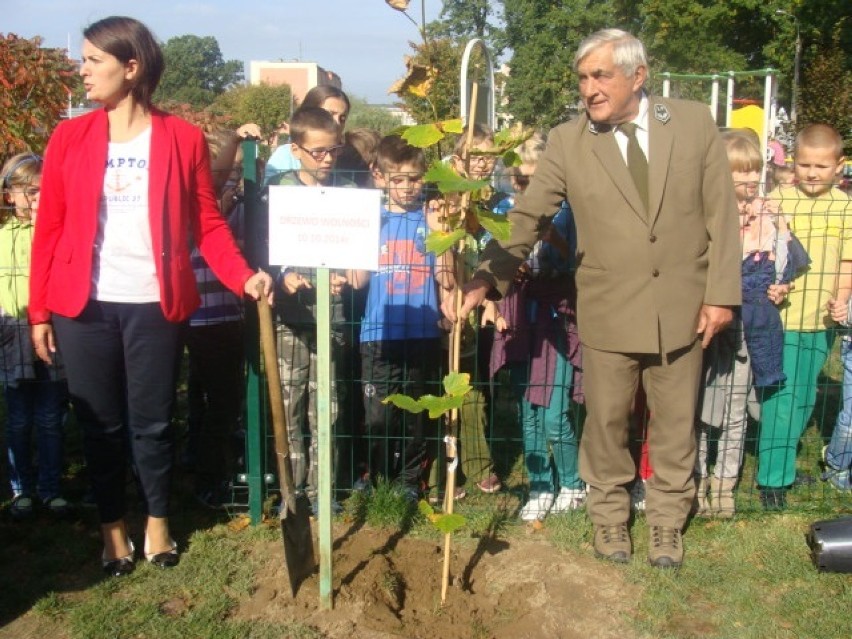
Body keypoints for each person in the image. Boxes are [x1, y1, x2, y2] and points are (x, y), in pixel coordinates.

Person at [445, 29, 741, 568]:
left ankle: (668, 523)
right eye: (583, 78)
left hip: (683, 306)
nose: (590, 89)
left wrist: (721, 295)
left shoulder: (694, 123)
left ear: (638, 76)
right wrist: (485, 277)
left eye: (601, 75)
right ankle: (609, 521)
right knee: (605, 425)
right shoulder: (569, 141)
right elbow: (528, 217)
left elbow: (723, 213)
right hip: (607, 310)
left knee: (676, 424)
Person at [28, 16, 273, 576]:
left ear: (130, 67)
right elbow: (51, 228)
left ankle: (157, 522)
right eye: (84, 59)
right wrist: (39, 309)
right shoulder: (70, 136)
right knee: (99, 424)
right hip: (81, 307)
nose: (81, 69)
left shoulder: (181, 138)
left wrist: (243, 277)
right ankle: (112, 527)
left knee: (154, 421)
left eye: (93, 60)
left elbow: (207, 224)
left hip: (154, 305)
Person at [694, 131, 807, 518]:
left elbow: (789, 261)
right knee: (700, 403)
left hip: (754, 325)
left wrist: (782, 283)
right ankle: (696, 478)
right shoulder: (703, 213)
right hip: (708, 326)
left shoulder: (769, 215)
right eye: (738, 174)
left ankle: (724, 482)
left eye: (754, 172)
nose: (748, 181)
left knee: (736, 406)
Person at [489, 133, 586, 521]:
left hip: (557, 322)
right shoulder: (506, 214)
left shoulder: (569, 213)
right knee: (527, 410)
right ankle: (540, 484)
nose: (528, 187)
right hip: (520, 319)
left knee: (553, 412)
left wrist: (556, 242)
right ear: (514, 180)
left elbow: (582, 263)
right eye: (522, 180)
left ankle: (573, 483)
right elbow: (495, 260)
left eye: (536, 179)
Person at [349, 135, 448, 500]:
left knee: (415, 416)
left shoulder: (432, 217)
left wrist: (442, 234)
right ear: (379, 176)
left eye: (415, 178)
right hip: (377, 333)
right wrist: (357, 236)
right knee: (378, 415)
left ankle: (409, 481)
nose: (407, 187)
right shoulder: (371, 218)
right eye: (398, 179)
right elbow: (357, 281)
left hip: (421, 332)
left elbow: (446, 276)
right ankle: (376, 477)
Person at [266, 106, 354, 514]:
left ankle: (323, 492)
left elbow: (355, 253)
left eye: (333, 151)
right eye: (317, 152)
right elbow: (262, 249)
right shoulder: (278, 191)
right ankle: (292, 494)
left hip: (329, 318)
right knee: (289, 406)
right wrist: (283, 276)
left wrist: (345, 276)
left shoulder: (346, 193)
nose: (327, 159)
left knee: (327, 409)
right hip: (289, 320)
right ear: (296, 149)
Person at [759, 124, 851, 509]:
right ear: (794, 163)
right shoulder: (778, 200)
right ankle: (771, 481)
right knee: (782, 399)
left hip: (822, 321)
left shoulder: (845, 207)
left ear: (839, 167)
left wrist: (842, 298)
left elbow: (848, 260)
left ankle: (784, 466)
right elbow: (759, 252)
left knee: (804, 399)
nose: (812, 173)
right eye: (806, 165)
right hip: (783, 319)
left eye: (822, 166)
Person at [184, 123, 260, 508]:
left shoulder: (231, 207)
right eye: (221, 171)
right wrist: (235, 141)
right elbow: (211, 184)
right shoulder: (194, 201)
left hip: (225, 315)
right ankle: (208, 479)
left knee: (217, 399)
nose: (228, 179)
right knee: (218, 401)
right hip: (200, 318)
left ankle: (207, 468)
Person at [1, 153, 69, 520]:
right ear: (9, 196)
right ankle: (21, 489)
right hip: (11, 336)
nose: (35, 197)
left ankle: (51, 488)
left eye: (42, 190)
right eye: (27, 191)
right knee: (18, 418)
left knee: (49, 417)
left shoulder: (57, 231)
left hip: (52, 333)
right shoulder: (2, 235)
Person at [265, 85, 350, 181]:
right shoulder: (284, 156)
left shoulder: (350, 156)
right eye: (329, 115)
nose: (337, 122)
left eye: (342, 118)